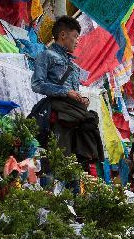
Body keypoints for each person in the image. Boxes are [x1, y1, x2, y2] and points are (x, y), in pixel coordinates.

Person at [30, 16, 103, 173]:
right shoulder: (46, 55)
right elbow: (36, 84)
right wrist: (65, 92)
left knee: (73, 164)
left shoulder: (74, 66)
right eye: (75, 36)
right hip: (57, 115)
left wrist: (80, 98)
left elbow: (73, 90)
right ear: (63, 35)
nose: (77, 41)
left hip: (75, 116)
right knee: (54, 161)